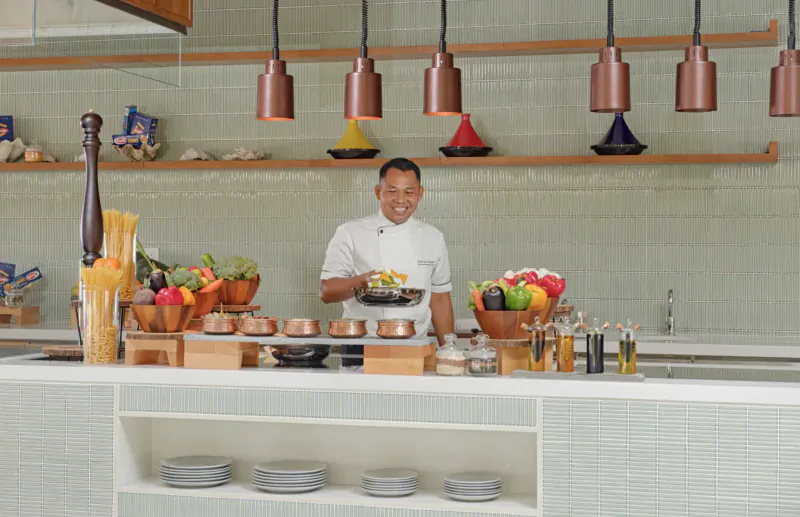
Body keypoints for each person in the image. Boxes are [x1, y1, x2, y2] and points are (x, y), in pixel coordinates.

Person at [319, 157, 455, 352]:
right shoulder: (349, 232)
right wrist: (361, 282)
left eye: (409, 192)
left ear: (420, 194)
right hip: (362, 345)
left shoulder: (433, 237)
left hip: (415, 345)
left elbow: (440, 299)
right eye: (392, 191)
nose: (400, 200)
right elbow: (326, 292)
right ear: (378, 192)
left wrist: (449, 350)